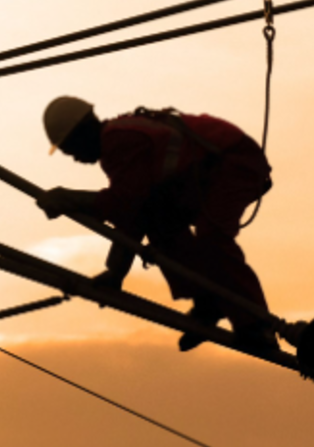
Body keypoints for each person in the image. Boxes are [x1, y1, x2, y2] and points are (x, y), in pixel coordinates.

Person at [38, 96, 277, 352]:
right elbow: (137, 212)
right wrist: (116, 272)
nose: (73, 158)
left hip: (232, 162)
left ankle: (256, 325)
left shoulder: (119, 141)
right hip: (204, 174)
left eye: (69, 148)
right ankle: (208, 301)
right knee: (160, 221)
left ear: (81, 133)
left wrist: (68, 199)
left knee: (212, 237)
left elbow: (125, 203)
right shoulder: (118, 142)